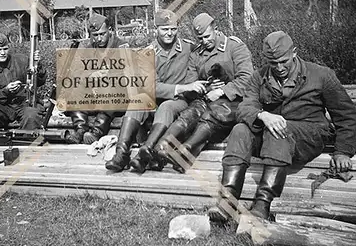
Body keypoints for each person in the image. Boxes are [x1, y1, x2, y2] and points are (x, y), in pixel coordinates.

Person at [208, 31, 356, 222]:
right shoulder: (259, 76)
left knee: (278, 129)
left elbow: (346, 115)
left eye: (283, 61)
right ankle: (227, 201)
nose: (279, 67)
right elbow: (245, 107)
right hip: (274, 138)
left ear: (294, 52)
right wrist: (262, 115)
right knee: (240, 130)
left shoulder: (321, 75)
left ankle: (262, 205)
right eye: (273, 63)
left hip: (309, 136)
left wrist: (342, 151)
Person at [142, 12, 254, 174]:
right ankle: (163, 146)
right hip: (208, 99)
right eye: (200, 39)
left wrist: (222, 90)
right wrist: (208, 88)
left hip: (235, 101)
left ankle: (185, 150)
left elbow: (247, 78)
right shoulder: (197, 54)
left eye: (207, 36)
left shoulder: (234, 47)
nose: (204, 41)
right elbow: (190, 82)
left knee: (214, 113)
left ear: (215, 29)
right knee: (190, 112)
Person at [105, 9, 202, 172]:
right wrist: (182, 87)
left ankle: (145, 153)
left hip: (180, 101)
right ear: (155, 29)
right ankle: (122, 153)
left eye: (173, 29)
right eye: (165, 29)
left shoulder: (188, 47)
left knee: (167, 106)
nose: (169, 33)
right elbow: (151, 87)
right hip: (157, 98)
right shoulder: (147, 53)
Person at [65, 13, 129, 145]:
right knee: (75, 90)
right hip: (94, 97)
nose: (99, 38)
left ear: (110, 31)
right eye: (95, 35)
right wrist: (90, 76)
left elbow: (126, 75)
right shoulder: (89, 49)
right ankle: (80, 130)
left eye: (102, 34)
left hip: (118, 97)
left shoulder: (121, 46)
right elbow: (77, 73)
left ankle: (97, 132)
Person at [0, 32, 46, 130]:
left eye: (5, 49)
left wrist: (37, 65)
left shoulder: (22, 60)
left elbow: (40, 82)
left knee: (32, 115)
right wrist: (6, 90)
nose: (2, 53)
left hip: (25, 104)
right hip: (3, 107)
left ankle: (28, 142)